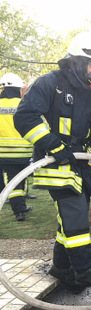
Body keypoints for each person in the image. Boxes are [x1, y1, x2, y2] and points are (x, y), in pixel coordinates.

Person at [14, 31, 91, 290]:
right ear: (77, 62)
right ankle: (83, 271)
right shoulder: (50, 83)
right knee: (77, 217)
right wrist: (54, 145)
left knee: (68, 221)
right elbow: (25, 117)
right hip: (55, 164)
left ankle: (60, 267)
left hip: (82, 165)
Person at [0, 73, 33, 221]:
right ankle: (19, 210)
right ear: (18, 89)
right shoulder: (23, 104)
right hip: (22, 152)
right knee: (17, 180)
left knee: (10, 180)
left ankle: (18, 206)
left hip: (1, 153)